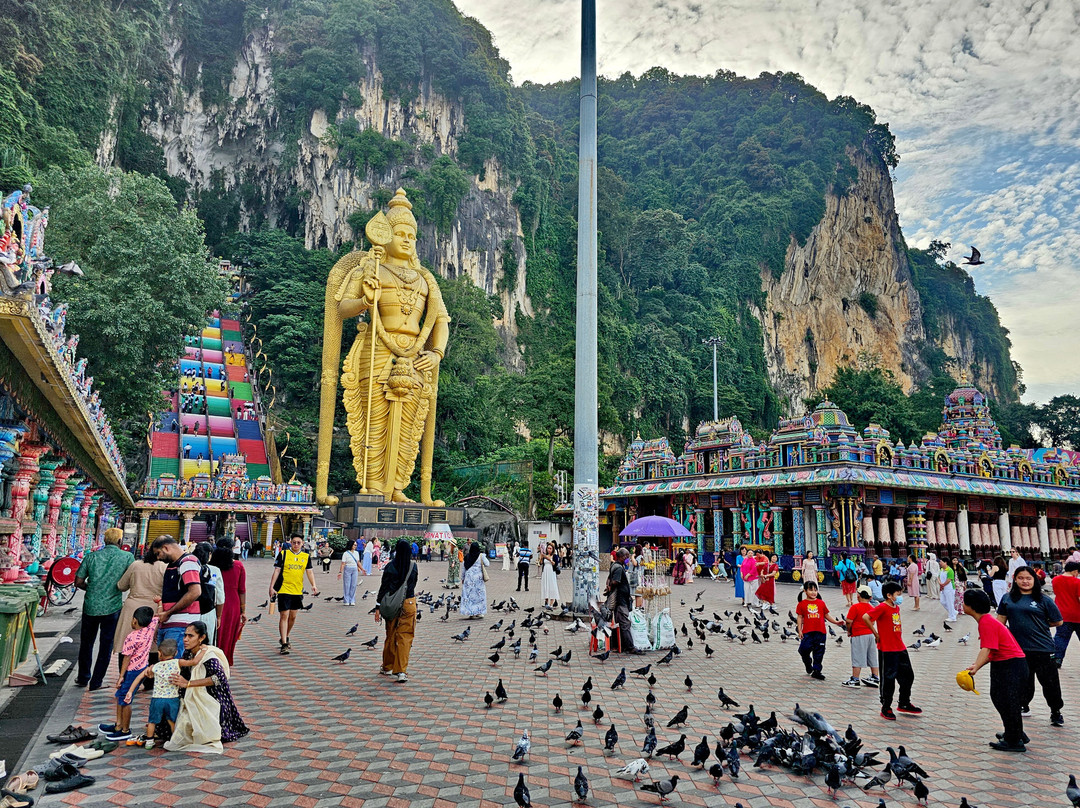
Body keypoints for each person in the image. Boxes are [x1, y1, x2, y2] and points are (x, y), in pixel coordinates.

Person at [164, 621, 249, 753]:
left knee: (189, 725)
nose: (185, 639)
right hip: (192, 694)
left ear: (202, 638)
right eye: (185, 635)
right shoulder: (189, 653)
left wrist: (188, 684)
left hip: (213, 698)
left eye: (190, 636)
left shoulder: (209, 656)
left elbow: (219, 678)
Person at [996, 566, 1064, 727]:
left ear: (1034, 580)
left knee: (1050, 683)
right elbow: (1000, 622)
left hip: (1043, 649)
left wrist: (1039, 625)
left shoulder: (1043, 599)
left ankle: (1056, 711)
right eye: (1021, 578)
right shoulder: (1007, 598)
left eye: (1028, 578)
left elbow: (1058, 621)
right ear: (1015, 579)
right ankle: (1023, 706)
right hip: (1018, 649)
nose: (1025, 581)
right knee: (1022, 681)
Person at [963, 589, 1028, 752]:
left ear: (970, 606)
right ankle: (1015, 733)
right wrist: (976, 665)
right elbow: (992, 651)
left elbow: (987, 649)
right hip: (1009, 664)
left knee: (1006, 701)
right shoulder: (987, 621)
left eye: (964, 601)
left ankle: (1014, 740)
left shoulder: (986, 622)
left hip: (1010, 665)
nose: (962, 604)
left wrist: (976, 668)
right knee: (1003, 699)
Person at [75, 527, 135, 690]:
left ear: (105, 541)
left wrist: (93, 588)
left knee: (86, 643)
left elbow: (78, 581)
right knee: (106, 645)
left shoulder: (91, 556)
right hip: (112, 607)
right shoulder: (127, 557)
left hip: (90, 606)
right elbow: (129, 581)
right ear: (120, 541)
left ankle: (82, 677)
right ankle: (96, 682)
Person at [101, 606, 158, 742]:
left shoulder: (131, 637)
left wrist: (121, 676)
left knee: (126, 698)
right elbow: (158, 616)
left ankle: (125, 729)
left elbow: (126, 658)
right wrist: (159, 602)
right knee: (121, 695)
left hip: (132, 670)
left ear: (134, 620)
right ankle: (118, 726)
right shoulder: (150, 629)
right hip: (142, 667)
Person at [866, 581, 921, 720]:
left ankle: (904, 702)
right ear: (889, 595)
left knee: (908, 676)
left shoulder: (896, 607)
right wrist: (876, 634)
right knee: (888, 679)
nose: (900, 596)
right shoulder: (882, 607)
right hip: (887, 649)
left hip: (900, 647)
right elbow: (866, 617)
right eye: (898, 594)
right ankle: (886, 707)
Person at [114, 545, 166, 674]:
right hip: (154, 608)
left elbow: (121, 586)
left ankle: (124, 676)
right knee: (151, 645)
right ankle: (149, 679)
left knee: (126, 642)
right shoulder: (164, 568)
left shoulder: (135, 565)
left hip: (132, 608)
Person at [124, 638, 181, 749]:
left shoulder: (155, 667)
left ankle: (149, 741)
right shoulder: (178, 663)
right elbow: (192, 662)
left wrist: (130, 692)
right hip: (172, 699)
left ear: (159, 653)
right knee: (172, 721)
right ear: (176, 653)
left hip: (157, 699)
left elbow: (139, 677)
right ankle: (175, 741)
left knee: (152, 721)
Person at [268, 533, 320, 655]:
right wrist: (271, 587)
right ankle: (284, 644)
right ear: (290, 542)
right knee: (284, 615)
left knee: (293, 617)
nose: (296, 544)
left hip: (297, 590)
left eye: (298, 542)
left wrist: (313, 585)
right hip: (284, 589)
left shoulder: (305, 557)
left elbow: (310, 572)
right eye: (294, 542)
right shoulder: (284, 554)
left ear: (302, 544)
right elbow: (277, 570)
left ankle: (285, 636)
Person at [376, 539, 419, 683]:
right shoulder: (413, 566)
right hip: (409, 603)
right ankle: (401, 671)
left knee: (391, 636)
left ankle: (387, 666)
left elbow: (384, 587)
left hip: (392, 604)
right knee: (405, 638)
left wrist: (377, 606)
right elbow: (413, 584)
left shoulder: (390, 566)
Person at [796, 581, 845, 680]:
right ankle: (807, 662)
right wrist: (800, 630)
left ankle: (817, 671)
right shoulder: (802, 604)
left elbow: (826, 615)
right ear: (805, 591)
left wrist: (836, 622)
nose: (814, 592)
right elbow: (800, 617)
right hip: (808, 632)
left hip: (820, 632)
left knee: (819, 652)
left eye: (815, 590)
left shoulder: (821, 603)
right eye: (811, 590)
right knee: (803, 650)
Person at [211, 540, 246, 667]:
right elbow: (242, 590)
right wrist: (243, 610)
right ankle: (224, 660)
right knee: (228, 633)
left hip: (213, 603)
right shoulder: (238, 566)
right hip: (232, 604)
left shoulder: (211, 566)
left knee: (213, 632)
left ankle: (211, 659)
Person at [842, 586, 879, 688]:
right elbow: (873, 621)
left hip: (858, 635)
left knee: (857, 656)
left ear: (858, 595)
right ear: (870, 597)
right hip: (870, 635)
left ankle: (855, 679)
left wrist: (849, 631)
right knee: (872, 656)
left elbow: (849, 621)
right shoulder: (872, 608)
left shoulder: (855, 607)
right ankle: (875, 677)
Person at [193, 542, 225, 645]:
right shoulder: (215, 570)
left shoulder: (189, 568)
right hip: (208, 612)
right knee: (208, 642)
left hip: (189, 612)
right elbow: (220, 598)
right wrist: (218, 616)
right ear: (210, 554)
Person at [605, 548, 635, 653]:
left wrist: (608, 585)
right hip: (620, 600)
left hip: (620, 599)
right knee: (625, 623)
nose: (628, 558)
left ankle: (619, 645)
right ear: (620, 557)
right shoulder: (618, 568)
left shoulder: (615, 566)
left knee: (620, 623)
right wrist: (610, 586)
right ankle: (629, 647)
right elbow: (615, 581)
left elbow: (609, 579)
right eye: (626, 556)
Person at [1052, 561, 1080, 665]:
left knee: (1061, 637)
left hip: (1062, 615)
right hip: (1078, 615)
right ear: (1075, 571)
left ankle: (1057, 659)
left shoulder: (1055, 580)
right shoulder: (1077, 582)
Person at [458, 542, 489, 618]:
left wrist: (462, 578)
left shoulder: (467, 556)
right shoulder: (481, 556)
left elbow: (463, 568)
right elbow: (487, 564)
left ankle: (470, 612)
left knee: (469, 595)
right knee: (479, 595)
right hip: (478, 578)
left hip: (468, 578)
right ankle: (479, 612)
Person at [339, 539, 361, 605]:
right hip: (347, 568)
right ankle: (346, 600)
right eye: (354, 545)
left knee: (353, 585)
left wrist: (361, 568)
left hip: (354, 569)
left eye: (356, 545)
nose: (355, 546)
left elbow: (358, 562)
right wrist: (340, 572)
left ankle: (352, 599)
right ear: (351, 545)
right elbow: (343, 563)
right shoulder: (346, 553)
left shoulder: (356, 553)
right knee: (347, 585)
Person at [540, 541, 561, 608]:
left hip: (551, 572)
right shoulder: (545, 555)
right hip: (545, 572)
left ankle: (551, 603)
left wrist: (549, 559)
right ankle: (546, 602)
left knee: (552, 586)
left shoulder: (554, 556)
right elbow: (541, 563)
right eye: (548, 548)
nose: (549, 550)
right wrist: (541, 557)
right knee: (545, 586)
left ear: (552, 549)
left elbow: (555, 564)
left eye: (550, 548)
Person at [939, 556, 958, 621]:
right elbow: (938, 577)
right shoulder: (941, 569)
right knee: (942, 601)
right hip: (943, 588)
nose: (940, 563)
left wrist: (943, 585)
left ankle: (952, 617)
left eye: (941, 562)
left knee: (950, 602)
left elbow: (949, 580)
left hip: (949, 588)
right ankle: (953, 611)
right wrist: (940, 583)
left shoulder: (950, 570)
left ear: (945, 562)